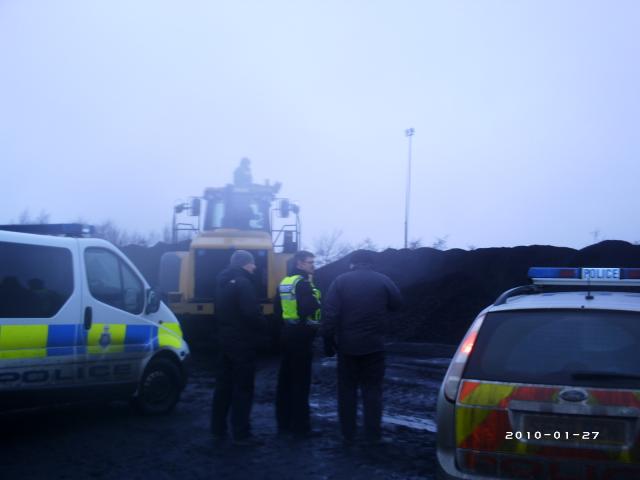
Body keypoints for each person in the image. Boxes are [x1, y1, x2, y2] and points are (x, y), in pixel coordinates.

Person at [321, 250, 403, 445]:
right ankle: (373, 434)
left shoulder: (340, 281)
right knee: (372, 390)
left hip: (348, 347)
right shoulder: (383, 280)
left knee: (346, 391)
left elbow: (330, 312)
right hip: (375, 346)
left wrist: (327, 339)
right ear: (370, 264)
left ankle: (347, 433)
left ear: (353, 263)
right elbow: (398, 304)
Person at [211, 250, 264, 446]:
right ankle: (242, 433)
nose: (255, 267)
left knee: (223, 384)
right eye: (252, 264)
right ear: (245, 264)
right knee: (243, 387)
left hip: (225, 338)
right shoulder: (244, 283)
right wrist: (264, 326)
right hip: (242, 340)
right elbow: (251, 312)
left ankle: (217, 428)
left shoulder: (221, 282)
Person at [274, 250, 322, 437]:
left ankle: (283, 422)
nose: (313, 266)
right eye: (310, 262)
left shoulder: (285, 283)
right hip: (301, 337)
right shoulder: (303, 284)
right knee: (301, 382)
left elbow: (278, 310)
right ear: (300, 264)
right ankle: (301, 426)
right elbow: (308, 307)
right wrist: (316, 301)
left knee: (285, 381)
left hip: (287, 334)